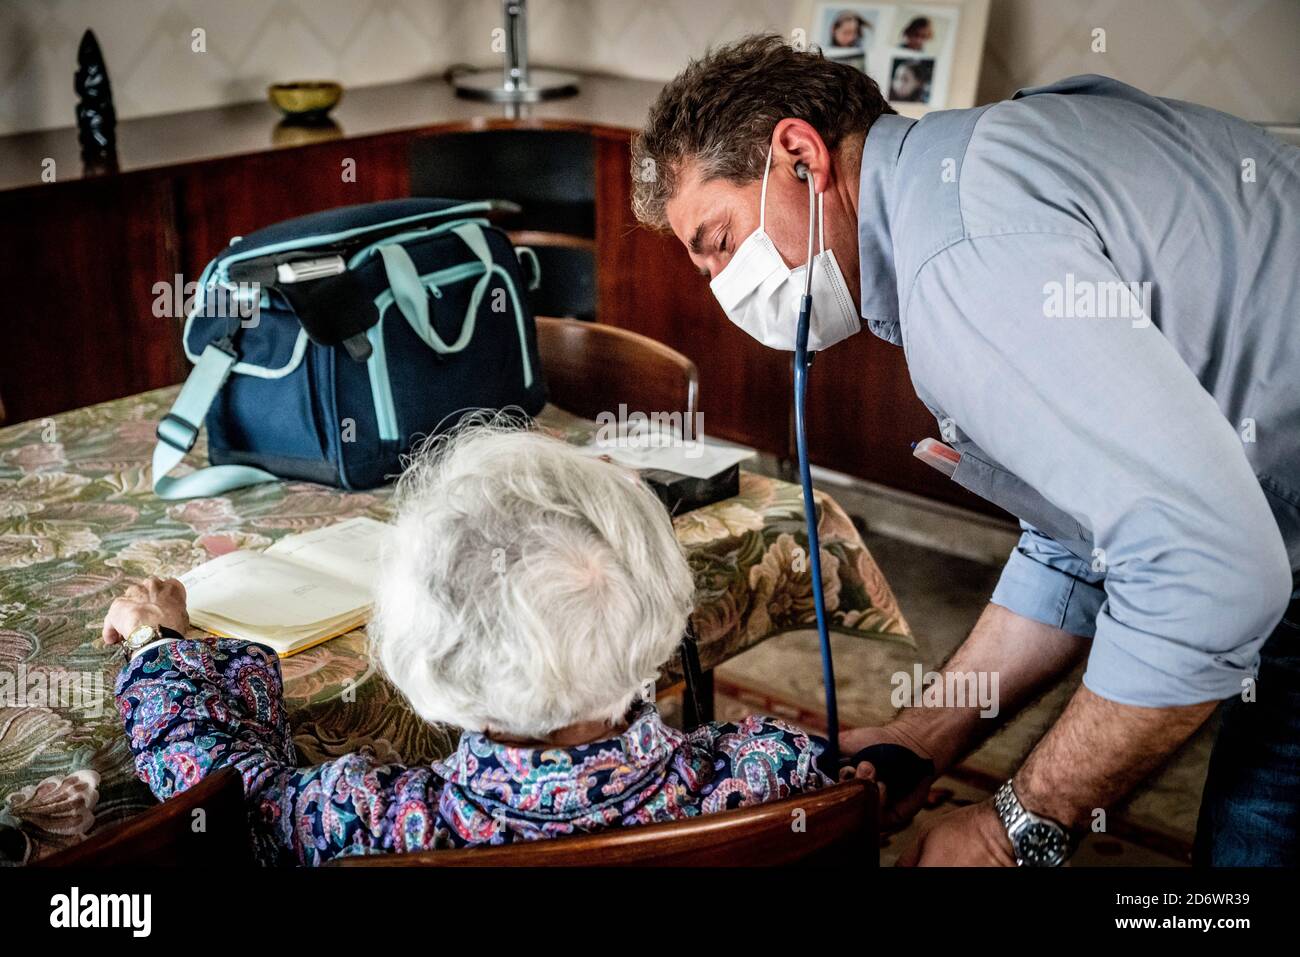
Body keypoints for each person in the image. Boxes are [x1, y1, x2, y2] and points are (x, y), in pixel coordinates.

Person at [631, 34, 1299, 866]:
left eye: (720, 241)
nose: (725, 288)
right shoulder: (972, 174)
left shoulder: (964, 258)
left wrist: (1011, 827)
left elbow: (1209, 575)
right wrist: (925, 733)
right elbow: (1082, 538)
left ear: (800, 156)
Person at [105, 428, 856, 865]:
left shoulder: (362, 823)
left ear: (422, 648)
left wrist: (157, 643)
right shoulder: (772, 772)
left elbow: (224, 795)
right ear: (662, 605)